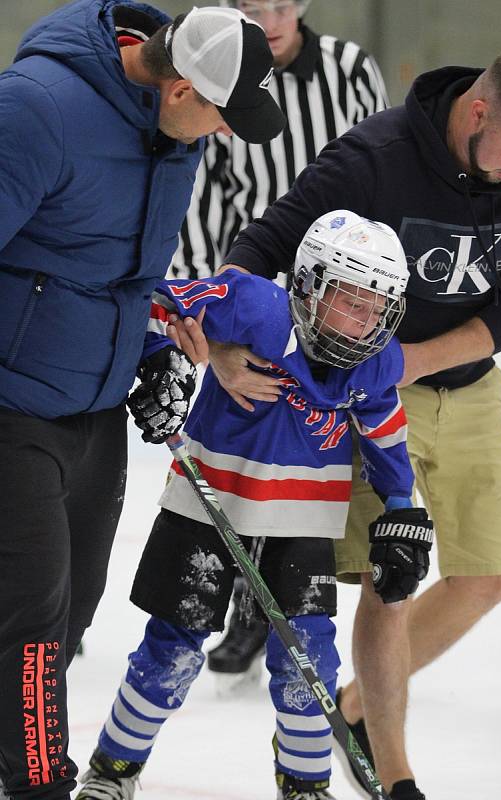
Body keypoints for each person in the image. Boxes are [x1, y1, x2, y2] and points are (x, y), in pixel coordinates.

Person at [204, 47, 501, 799]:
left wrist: (417, 358)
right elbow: (262, 243)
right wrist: (224, 339)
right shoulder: (372, 160)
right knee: (393, 579)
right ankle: (395, 776)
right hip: (367, 399)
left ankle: (355, 708)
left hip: (467, 384)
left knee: (487, 577)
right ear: (478, 113)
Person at [0, 3, 286, 799]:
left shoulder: (171, 135)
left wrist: (154, 349)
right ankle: (37, 786)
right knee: (29, 621)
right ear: (182, 88)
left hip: (90, 407)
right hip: (10, 404)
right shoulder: (37, 110)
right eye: (223, 116)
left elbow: (117, 270)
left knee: (71, 615)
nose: (226, 135)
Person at [75, 211, 433, 800]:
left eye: (379, 306)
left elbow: (385, 428)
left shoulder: (374, 360)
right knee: (172, 650)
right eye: (353, 301)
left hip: (303, 519)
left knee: (307, 666)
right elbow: (154, 302)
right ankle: (113, 771)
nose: (367, 320)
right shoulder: (256, 306)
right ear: (313, 283)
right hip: (209, 501)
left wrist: (402, 508)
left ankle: (305, 782)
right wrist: (161, 356)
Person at [171, 0, 389, 690]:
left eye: (277, 2)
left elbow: (383, 164)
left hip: (341, 300)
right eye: (249, 4)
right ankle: (245, 603)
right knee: (248, 451)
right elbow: (213, 195)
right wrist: (214, 323)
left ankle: (287, 604)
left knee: (312, 455)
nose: (266, 15)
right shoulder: (227, 72)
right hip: (260, 291)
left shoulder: (351, 69)